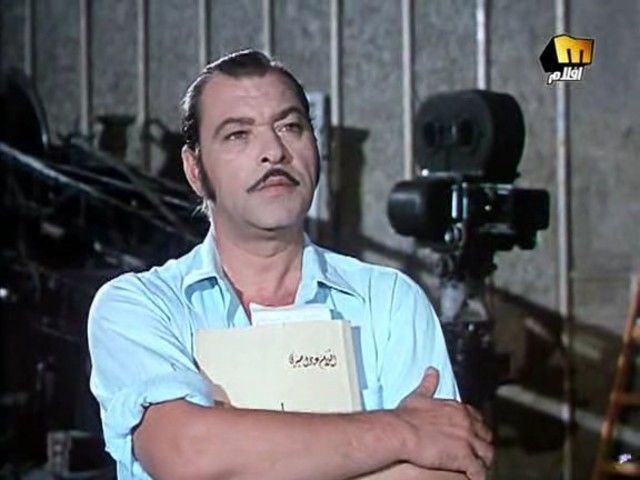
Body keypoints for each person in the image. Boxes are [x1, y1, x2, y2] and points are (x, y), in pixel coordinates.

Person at [88, 49, 493, 480]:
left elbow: (446, 469)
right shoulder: (138, 306)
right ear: (194, 169)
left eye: (290, 126)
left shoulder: (389, 301)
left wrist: (240, 457)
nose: (273, 151)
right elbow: (186, 454)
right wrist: (402, 432)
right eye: (237, 134)